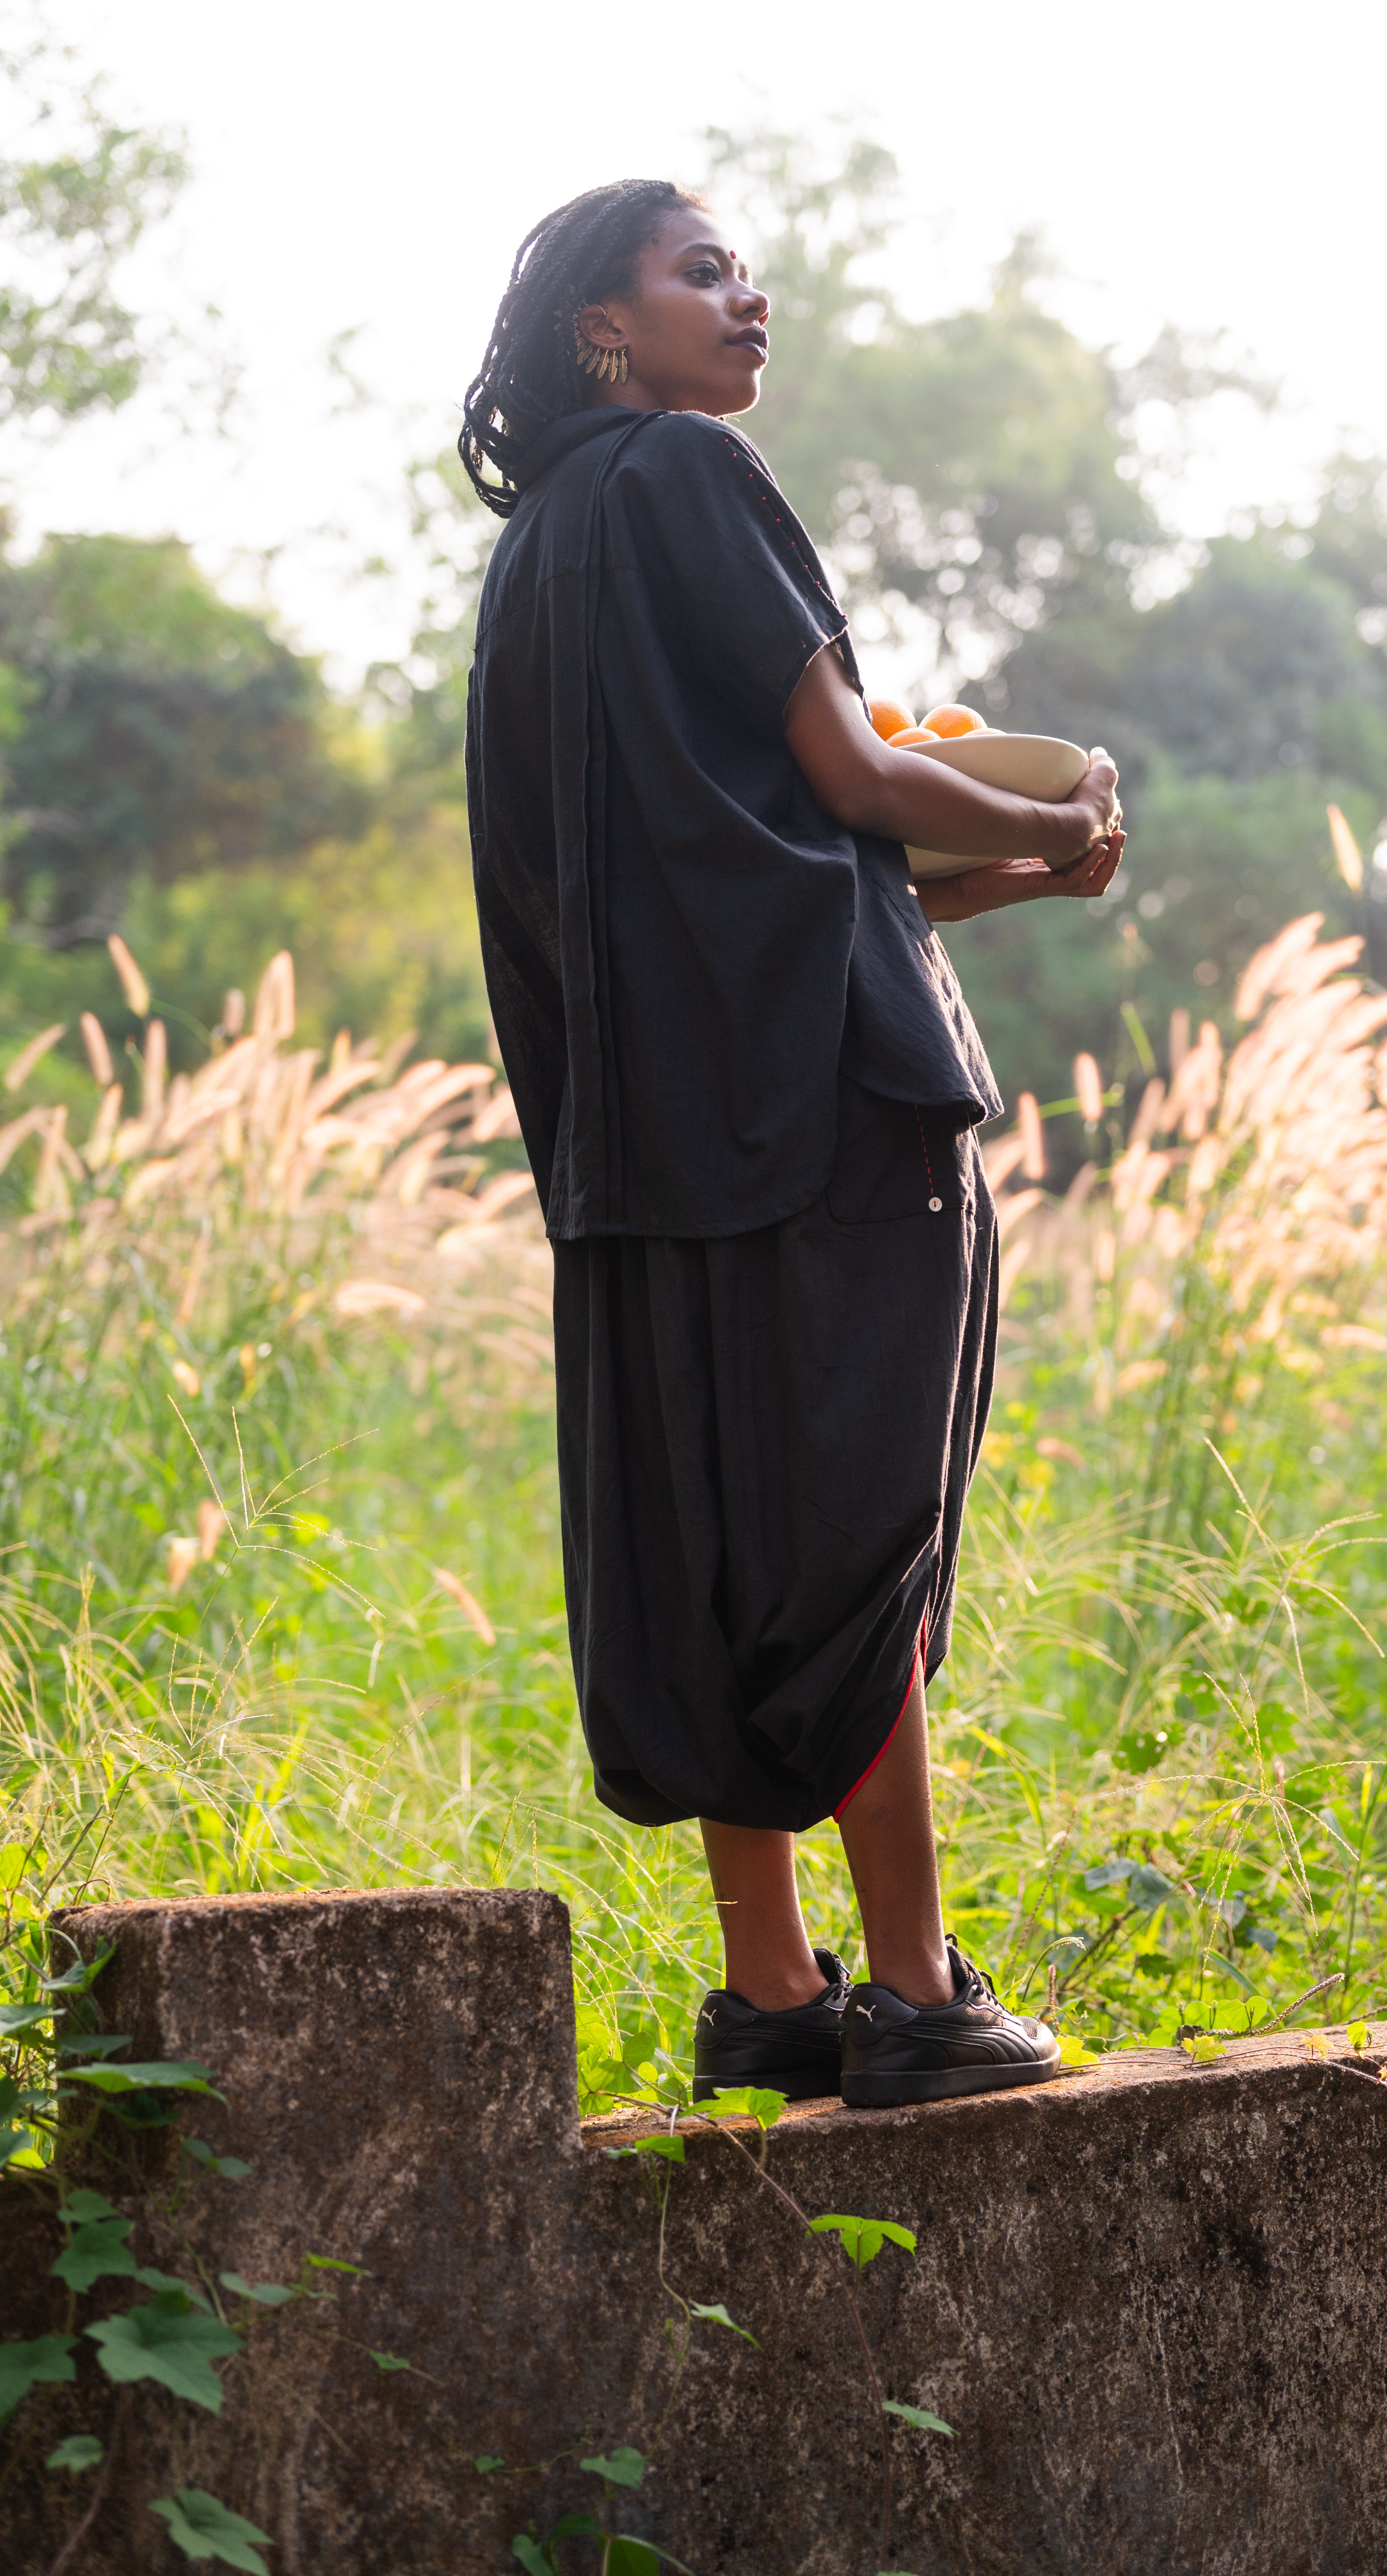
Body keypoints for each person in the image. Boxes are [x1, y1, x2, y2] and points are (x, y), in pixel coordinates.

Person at [460, 178, 1123, 2110]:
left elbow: (772, 882)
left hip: (643, 1153)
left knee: (712, 1536)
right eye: (698, 271)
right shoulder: (687, 474)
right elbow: (849, 775)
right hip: (829, 1130)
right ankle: (915, 1990)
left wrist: (994, 872)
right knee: (851, 1550)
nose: (746, 297)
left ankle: (773, 1993)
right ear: (607, 330)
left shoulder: (532, 565)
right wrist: (1066, 811)